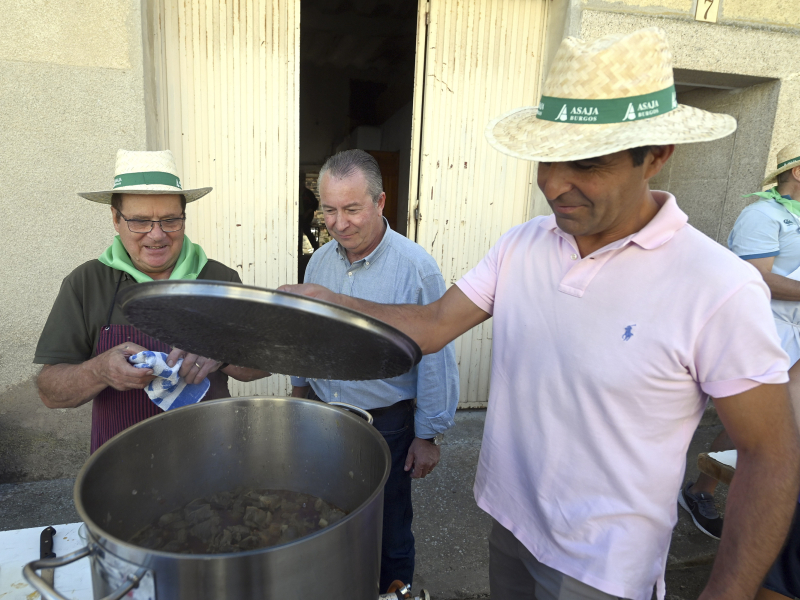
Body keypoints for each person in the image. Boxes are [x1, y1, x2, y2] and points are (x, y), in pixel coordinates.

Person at [281, 29, 800, 600]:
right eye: (546, 157)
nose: (554, 184)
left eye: (587, 162)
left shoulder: (717, 286)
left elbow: (771, 454)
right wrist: (328, 303)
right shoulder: (523, 245)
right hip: (510, 526)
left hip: (603, 567)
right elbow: (431, 327)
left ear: (656, 156)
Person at [289, 149, 459, 592]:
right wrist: (299, 393)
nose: (339, 223)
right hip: (326, 418)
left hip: (387, 426)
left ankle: (394, 589)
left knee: (389, 528)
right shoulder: (320, 261)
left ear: (380, 203)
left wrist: (428, 435)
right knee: (328, 514)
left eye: (352, 209)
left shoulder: (415, 267)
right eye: (329, 210)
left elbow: (436, 356)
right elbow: (307, 337)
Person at [34, 149, 268, 453]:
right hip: (121, 470)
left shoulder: (219, 279)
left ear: (184, 219)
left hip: (212, 461)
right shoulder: (85, 283)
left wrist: (222, 353)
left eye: (170, 220)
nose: (156, 235)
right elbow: (49, 392)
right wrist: (99, 370)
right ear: (116, 220)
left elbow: (263, 366)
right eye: (140, 221)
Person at [728, 142, 800, 600]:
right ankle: (700, 487)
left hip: (795, 329)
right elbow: (754, 276)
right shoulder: (761, 215)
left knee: (776, 427)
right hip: (770, 330)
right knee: (753, 419)